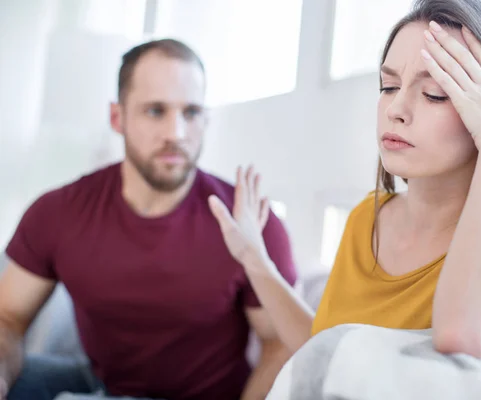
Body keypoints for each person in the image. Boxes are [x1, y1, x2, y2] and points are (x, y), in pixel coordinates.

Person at [209, 0, 481, 361]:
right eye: (389, 86)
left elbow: (467, 337)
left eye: (434, 94)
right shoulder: (368, 217)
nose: (395, 109)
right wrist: (254, 258)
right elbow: (327, 351)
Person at [1, 38, 297, 400]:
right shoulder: (57, 212)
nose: (176, 133)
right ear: (117, 117)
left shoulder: (253, 223)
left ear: (206, 119)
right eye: (156, 111)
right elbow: (8, 319)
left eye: (190, 112)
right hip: (100, 385)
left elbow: (280, 345)